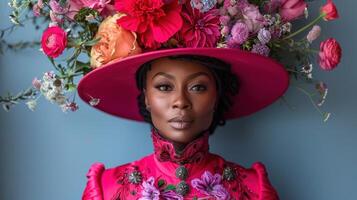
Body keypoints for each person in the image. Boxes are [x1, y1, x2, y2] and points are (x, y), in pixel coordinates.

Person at [80, 51, 288, 199]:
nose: (180, 101)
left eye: (198, 87)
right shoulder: (107, 189)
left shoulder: (253, 189)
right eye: (164, 86)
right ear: (146, 98)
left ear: (216, 97)